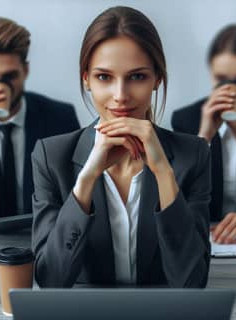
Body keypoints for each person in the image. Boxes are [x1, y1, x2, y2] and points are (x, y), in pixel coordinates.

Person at [32, 6, 211, 288]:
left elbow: (191, 283)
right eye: (104, 77)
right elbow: (51, 280)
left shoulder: (194, 156)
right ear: (86, 79)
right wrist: (88, 176)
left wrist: (164, 172)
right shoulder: (51, 157)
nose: (120, 96)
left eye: (137, 76)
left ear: (157, 79)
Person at [0, 17, 80, 234]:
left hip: (42, 242)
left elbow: (76, 204)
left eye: (9, 76)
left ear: (25, 71)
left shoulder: (59, 118)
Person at [171, 24, 236, 244]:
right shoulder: (187, 120)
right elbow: (174, 199)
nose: (231, 88)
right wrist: (204, 137)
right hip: (205, 241)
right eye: (221, 79)